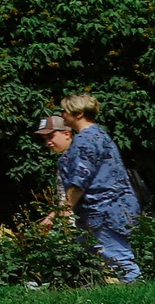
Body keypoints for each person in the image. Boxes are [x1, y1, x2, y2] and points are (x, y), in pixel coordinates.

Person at [49, 95, 140, 283]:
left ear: (79, 113)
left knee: (120, 260)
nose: (62, 115)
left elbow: (80, 178)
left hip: (104, 211)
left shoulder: (86, 140)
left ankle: (140, 300)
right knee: (90, 259)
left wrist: (65, 209)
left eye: (64, 111)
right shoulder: (98, 134)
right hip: (109, 208)